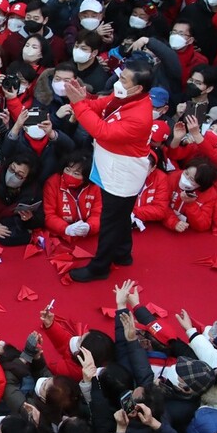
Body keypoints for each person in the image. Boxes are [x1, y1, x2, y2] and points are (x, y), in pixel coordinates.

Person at [63, 63, 153, 282]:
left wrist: (78, 105)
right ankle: (122, 253)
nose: (118, 82)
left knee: (111, 219)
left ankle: (100, 266)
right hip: (112, 165)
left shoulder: (140, 116)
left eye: (124, 80)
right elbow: (100, 106)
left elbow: (102, 131)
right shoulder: (125, 96)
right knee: (121, 215)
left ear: (138, 88)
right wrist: (83, 100)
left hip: (123, 173)